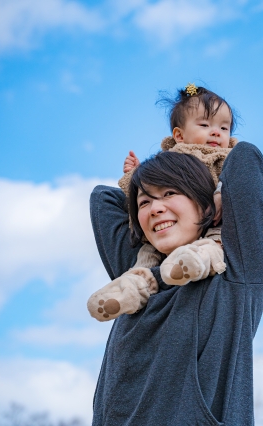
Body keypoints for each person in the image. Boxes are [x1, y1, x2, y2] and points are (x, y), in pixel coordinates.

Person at [90, 142, 263, 425]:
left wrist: (219, 192)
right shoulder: (135, 279)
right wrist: (138, 181)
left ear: (207, 205)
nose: (155, 208)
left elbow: (246, 159)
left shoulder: (238, 269)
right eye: (144, 202)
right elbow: (102, 198)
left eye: (169, 193)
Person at [87, 84, 239, 321]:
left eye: (223, 127)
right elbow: (142, 194)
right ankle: (132, 287)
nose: (216, 132)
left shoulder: (228, 158)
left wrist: (221, 196)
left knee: (213, 243)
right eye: (204, 125)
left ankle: (196, 261)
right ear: (179, 135)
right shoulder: (169, 161)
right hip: (167, 237)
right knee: (147, 254)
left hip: (215, 226)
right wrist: (134, 176)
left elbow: (241, 179)